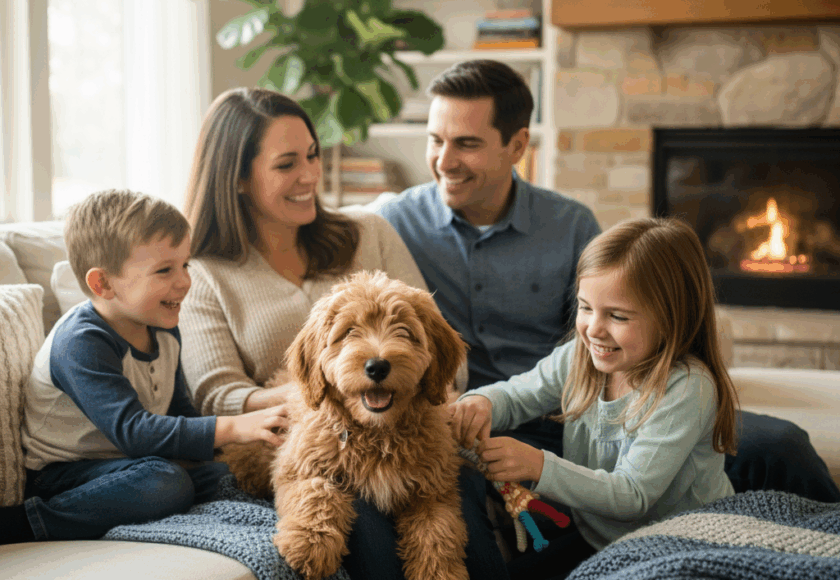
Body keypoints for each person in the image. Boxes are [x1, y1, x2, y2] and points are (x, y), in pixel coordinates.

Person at [377, 59, 840, 505]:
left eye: (466, 143)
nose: (444, 161)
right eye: (435, 140)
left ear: (518, 146)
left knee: (781, 444)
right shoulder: (393, 223)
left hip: (580, 413)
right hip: (481, 418)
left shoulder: (570, 224)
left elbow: (608, 334)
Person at [178, 87, 506, 579]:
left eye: (312, 155)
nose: (310, 175)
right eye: (287, 163)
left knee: (461, 513)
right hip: (302, 438)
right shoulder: (202, 273)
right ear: (239, 178)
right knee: (368, 531)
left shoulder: (368, 231)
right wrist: (318, 393)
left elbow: (436, 341)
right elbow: (216, 395)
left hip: (413, 425)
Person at [451, 217, 740, 579]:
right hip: (599, 539)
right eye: (586, 308)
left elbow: (632, 494)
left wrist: (539, 465)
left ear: (671, 319)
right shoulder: (579, 356)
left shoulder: (687, 388)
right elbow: (518, 393)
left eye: (617, 316)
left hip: (682, 543)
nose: (593, 329)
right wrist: (482, 402)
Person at [0, 189, 286, 546]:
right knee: (163, 483)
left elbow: (178, 409)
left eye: (185, 264)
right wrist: (233, 427)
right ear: (102, 283)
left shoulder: (164, 328)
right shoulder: (81, 342)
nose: (184, 281)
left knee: (237, 475)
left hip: (138, 461)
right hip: (68, 474)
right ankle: (26, 524)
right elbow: (134, 431)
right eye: (164, 270)